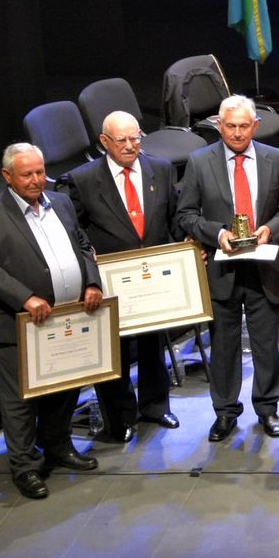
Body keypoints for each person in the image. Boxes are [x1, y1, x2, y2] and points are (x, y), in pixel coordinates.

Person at [0, 144, 103, 500]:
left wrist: (92, 281)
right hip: (22, 321)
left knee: (66, 384)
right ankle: (25, 467)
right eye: (27, 174)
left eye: (40, 172)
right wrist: (25, 298)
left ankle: (58, 446)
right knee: (20, 400)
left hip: (68, 316)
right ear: (7, 176)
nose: (36, 180)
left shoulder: (59, 202)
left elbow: (82, 244)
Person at [176, 95, 279, 442]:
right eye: (231, 126)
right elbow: (186, 214)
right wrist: (217, 234)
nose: (238, 133)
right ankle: (225, 412)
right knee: (224, 346)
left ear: (255, 126)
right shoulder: (198, 162)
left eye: (245, 126)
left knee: (265, 344)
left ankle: (268, 409)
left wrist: (271, 227)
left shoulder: (277, 159)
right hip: (222, 268)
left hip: (264, 267)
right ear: (219, 125)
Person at [62, 111, 179, 440]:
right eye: (122, 140)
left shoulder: (161, 168)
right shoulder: (82, 180)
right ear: (104, 142)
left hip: (154, 277)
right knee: (113, 350)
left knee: (153, 342)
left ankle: (156, 406)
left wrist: (187, 245)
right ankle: (121, 418)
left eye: (136, 138)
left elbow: (174, 216)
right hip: (110, 280)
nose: (131, 146)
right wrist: (89, 271)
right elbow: (74, 233)